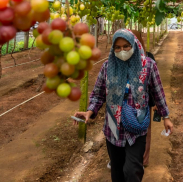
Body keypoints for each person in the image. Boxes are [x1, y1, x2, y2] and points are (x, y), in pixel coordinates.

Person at [73, 29, 173, 182]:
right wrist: (89, 111)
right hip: (113, 129)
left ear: (134, 44)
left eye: (126, 46)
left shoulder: (148, 66)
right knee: (117, 171)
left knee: (133, 170)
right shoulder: (108, 67)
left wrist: (165, 116)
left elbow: (158, 92)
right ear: (113, 49)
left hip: (137, 128)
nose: (122, 50)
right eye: (117, 47)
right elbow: (98, 94)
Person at [130, 30, 155, 167]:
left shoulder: (148, 59)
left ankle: (143, 160)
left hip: (144, 103)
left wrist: (157, 103)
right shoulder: (122, 60)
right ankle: (136, 159)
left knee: (144, 130)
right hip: (129, 103)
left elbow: (155, 84)